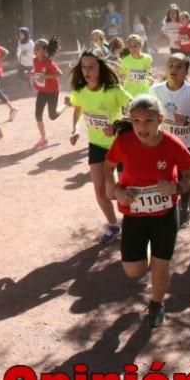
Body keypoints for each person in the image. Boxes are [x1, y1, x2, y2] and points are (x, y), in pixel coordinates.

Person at [105, 95, 190, 328]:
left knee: (160, 268)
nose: (141, 126)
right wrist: (115, 190)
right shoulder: (123, 142)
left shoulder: (172, 144)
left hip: (164, 215)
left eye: (148, 120)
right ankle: (150, 268)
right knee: (134, 271)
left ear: (160, 120)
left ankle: (157, 304)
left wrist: (176, 187)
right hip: (134, 215)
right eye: (136, 120)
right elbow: (108, 168)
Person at [67, 49, 133, 243]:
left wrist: (117, 125)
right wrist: (75, 129)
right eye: (84, 67)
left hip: (120, 145)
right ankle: (114, 225)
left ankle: (132, 222)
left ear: (100, 68)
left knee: (123, 189)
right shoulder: (79, 91)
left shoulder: (113, 90)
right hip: (96, 145)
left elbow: (135, 106)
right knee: (100, 191)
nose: (87, 70)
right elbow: (78, 109)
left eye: (91, 66)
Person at [150, 54, 190, 226]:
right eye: (171, 65)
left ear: (186, 71)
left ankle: (184, 207)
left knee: (185, 177)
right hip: (161, 143)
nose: (174, 69)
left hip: (185, 144)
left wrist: (187, 120)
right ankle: (165, 208)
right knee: (162, 176)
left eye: (179, 66)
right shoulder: (155, 90)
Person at [29, 36, 66, 148]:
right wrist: (31, 73)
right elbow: (36, 69)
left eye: (39, 49)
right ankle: (43, 138)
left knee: (52, 116)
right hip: (42, 91)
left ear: (45, 50)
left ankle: (65, 104)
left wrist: (45, 76)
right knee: (37, 114)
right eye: (35, 48)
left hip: (52, 91)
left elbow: (59, 74)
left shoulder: (49, 63)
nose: (36, 51)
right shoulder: (35, 60)